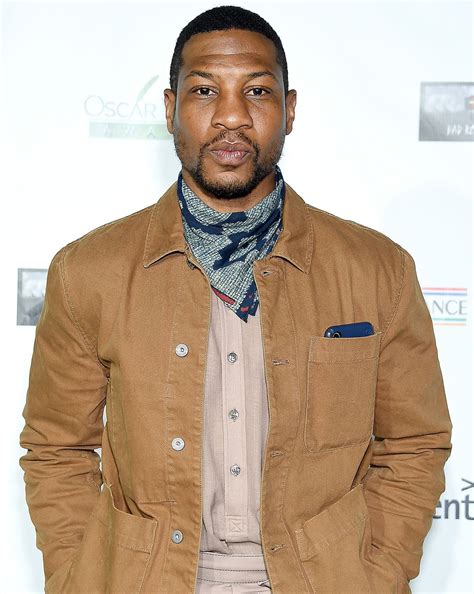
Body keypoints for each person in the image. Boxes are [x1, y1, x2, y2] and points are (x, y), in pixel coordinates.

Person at [19, 5, 452, 594]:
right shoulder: (89, 271)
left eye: (256, 91)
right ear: (169, 108)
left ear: (289, 110)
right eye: (204, 90)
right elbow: (57, 448)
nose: (231, 116)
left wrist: (376, 574)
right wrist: (78, 577)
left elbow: (414, 444)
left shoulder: (377, 270)